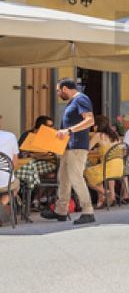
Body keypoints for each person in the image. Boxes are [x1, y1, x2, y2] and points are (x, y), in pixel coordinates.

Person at [42, 78, 96, 224]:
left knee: (76, 178)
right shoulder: (73, 102)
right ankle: (61, 211)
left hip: (77, 146)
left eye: (58, 90)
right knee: (64, 178)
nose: (58, 94)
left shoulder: (81, 99)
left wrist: (69, 130)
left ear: (65, 88)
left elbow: (90, 120)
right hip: (68, 147)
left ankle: (88, 211)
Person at [84, 115, 123, 208]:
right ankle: (107, 198)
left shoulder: (98, 135)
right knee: (98, 173)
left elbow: (86, 148)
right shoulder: (115, 135)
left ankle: (106, 193)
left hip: (107, 168)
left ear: (97, 125)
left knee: (86, 174)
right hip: (119, 168)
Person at [0, 113, 18, 211]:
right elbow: (14, 164)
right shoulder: (10, 136)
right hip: (5, 181)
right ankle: (2, 205)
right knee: (15, 186)